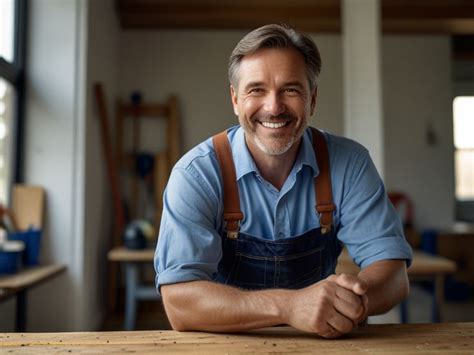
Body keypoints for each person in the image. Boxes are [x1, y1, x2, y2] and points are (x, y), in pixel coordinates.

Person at [154, 24, 412, 338]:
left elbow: (394, 274)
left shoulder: (350, 164)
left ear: (312, 99)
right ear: (235, 99)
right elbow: (179, 303)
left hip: (324, 342)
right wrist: (288, 306)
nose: (274, 107)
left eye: (290, 89)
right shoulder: (196, 174)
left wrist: (351, 300)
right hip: (226, 343)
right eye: (256, 90)